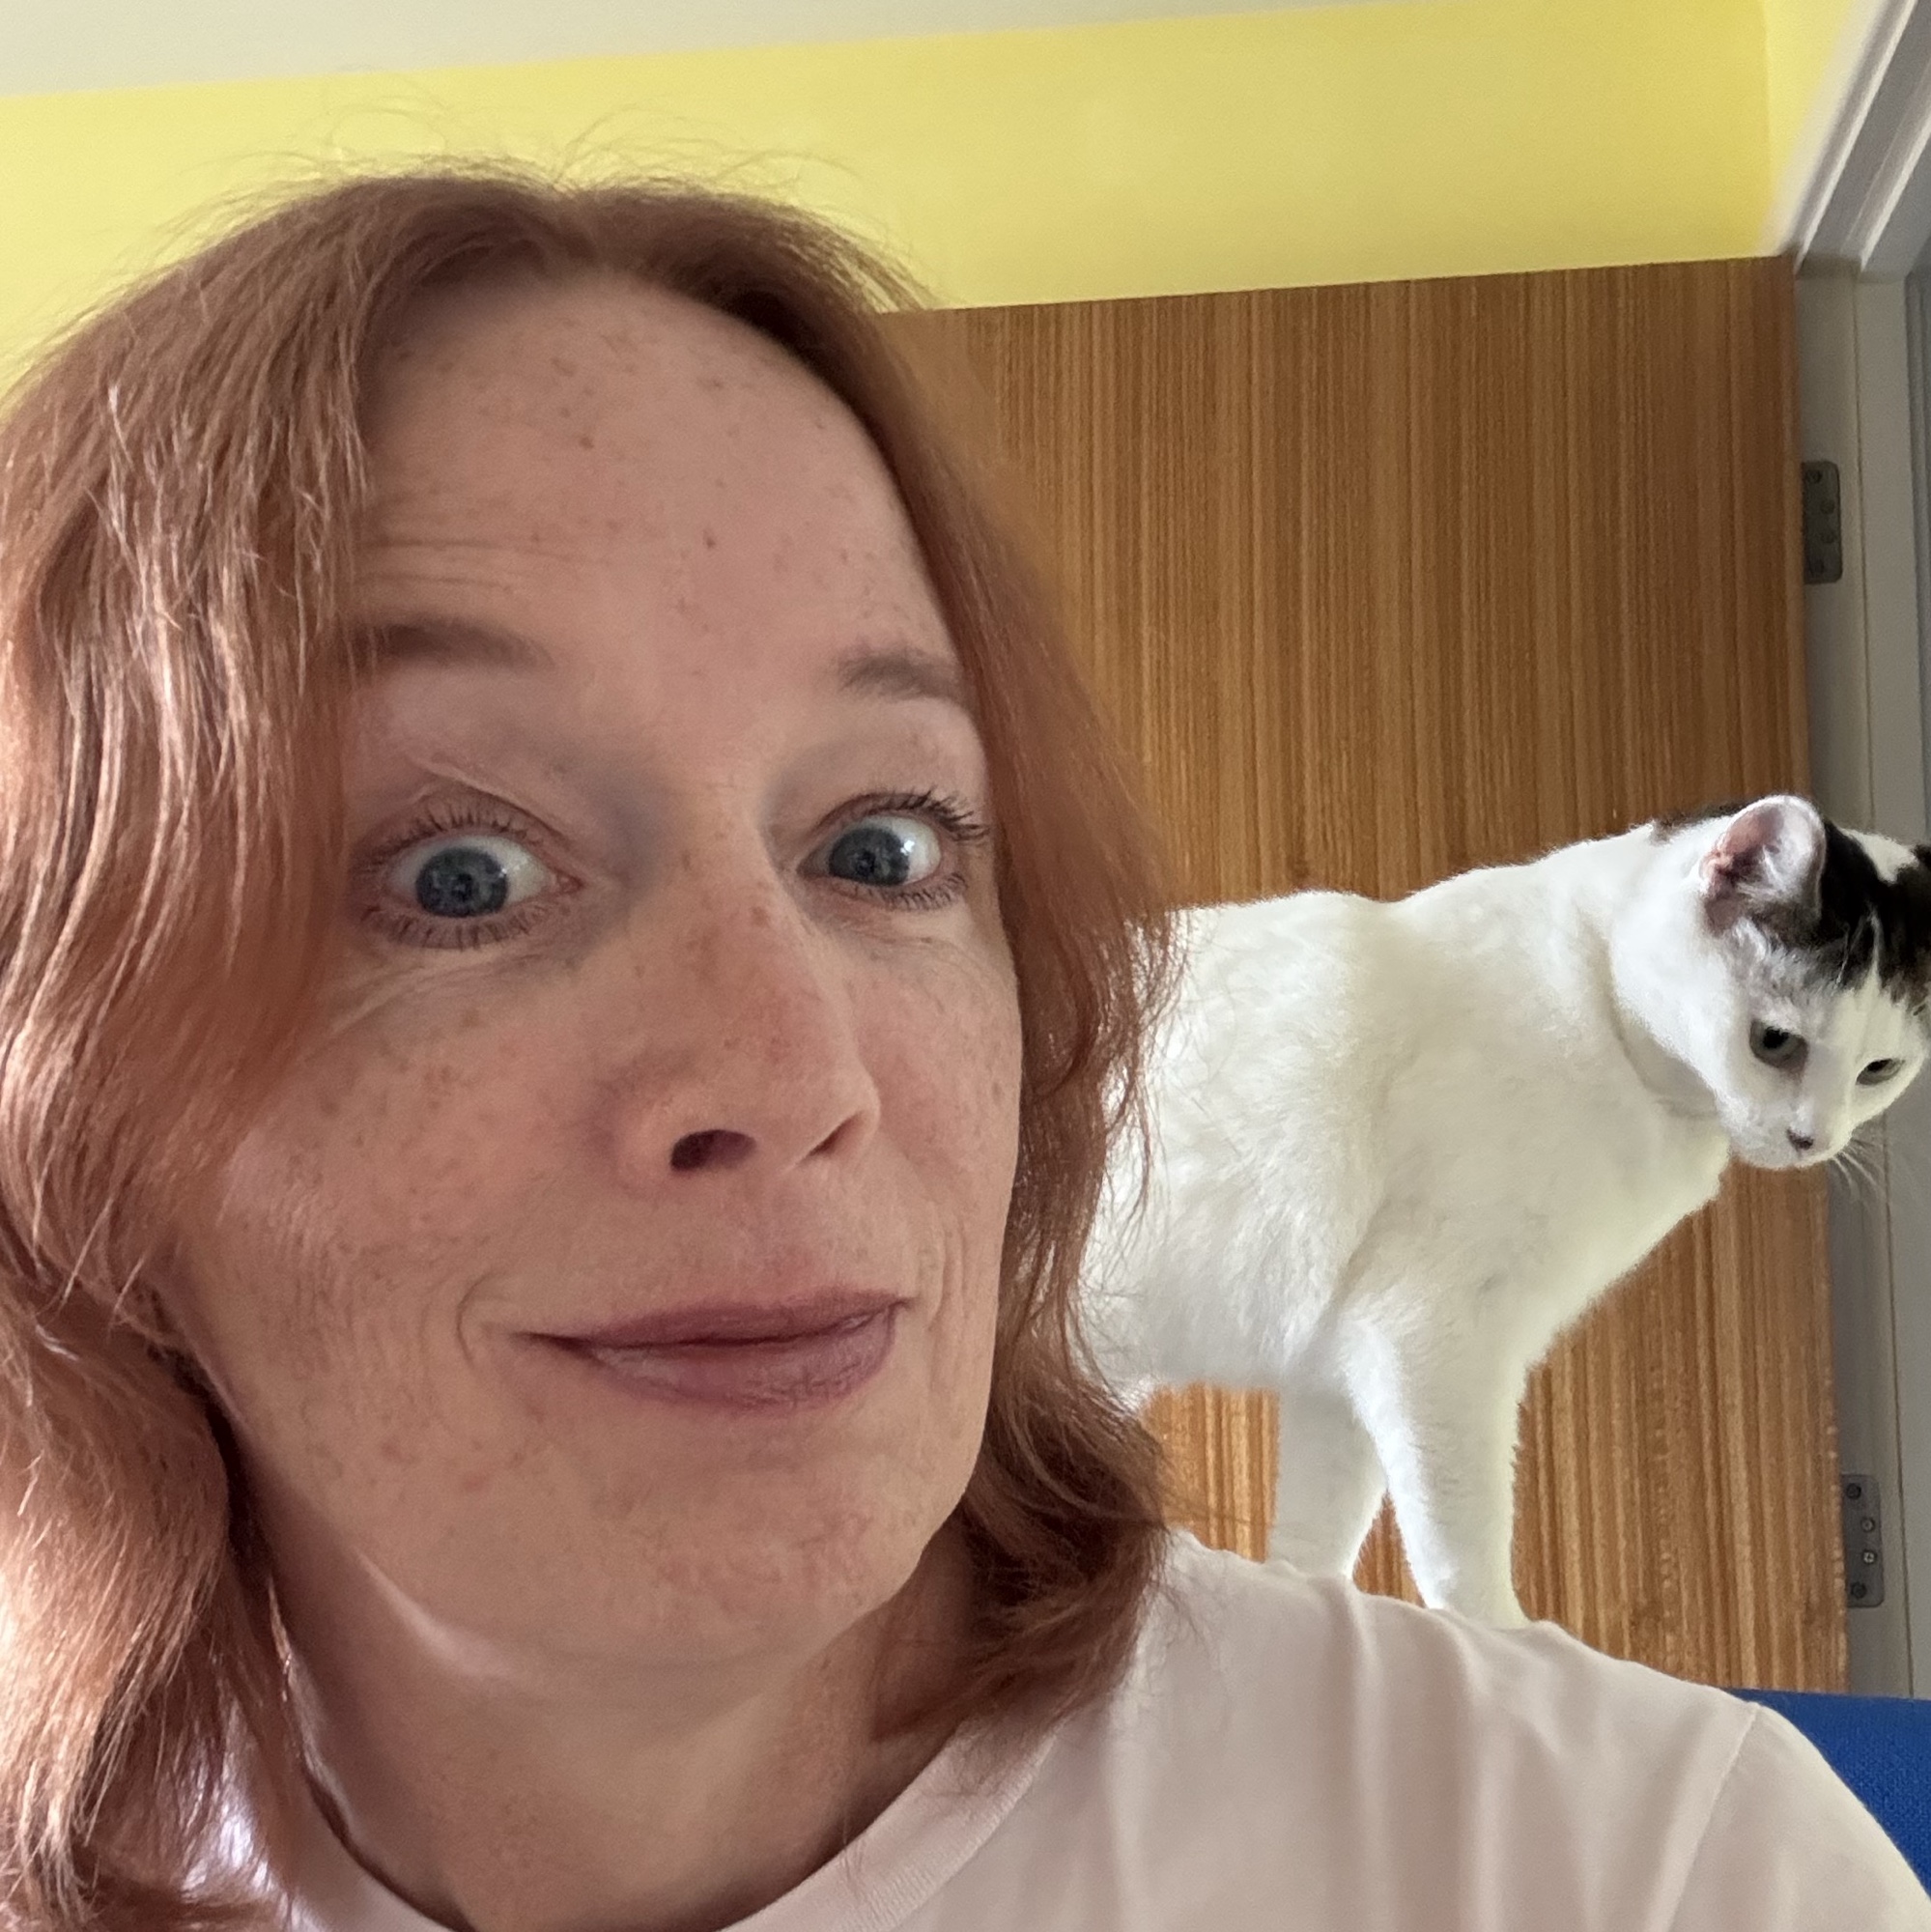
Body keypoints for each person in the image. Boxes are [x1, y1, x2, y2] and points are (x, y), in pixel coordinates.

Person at [0, 167, 1918, 1932]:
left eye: (882, 848)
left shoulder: (1659, 1876)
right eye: (460, 874)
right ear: (65, 1082)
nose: (797, 1078)